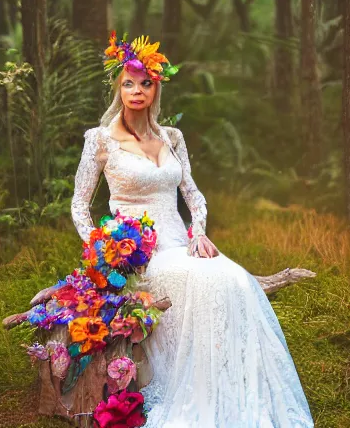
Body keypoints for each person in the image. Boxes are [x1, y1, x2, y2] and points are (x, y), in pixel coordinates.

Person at [70, 32, 315, 427]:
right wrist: (101, 249)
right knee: (205, 282)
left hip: (180, 242)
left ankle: (237, 388)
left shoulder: (172, 137)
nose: (137, 91)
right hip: (138, 255)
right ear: (118, 86)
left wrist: (198, 231)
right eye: (129, 83)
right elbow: (80, 205)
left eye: (145, 83)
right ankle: (198, 390)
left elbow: (194, 196)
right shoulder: (99, 140)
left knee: (234, 278)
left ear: (156, 88)